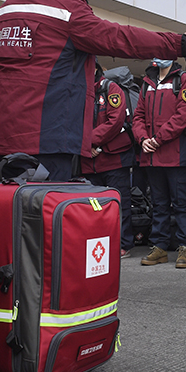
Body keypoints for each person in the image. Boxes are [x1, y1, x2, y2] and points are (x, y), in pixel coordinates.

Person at [0, 0, 186, 181]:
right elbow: (118, 38)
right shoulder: (66, 9)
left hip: (2, 139)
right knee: (44, 209)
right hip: (48, 138)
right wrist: (180, 44)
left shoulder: (4, 11)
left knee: (10, 209)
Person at [132, 58, 186, 268]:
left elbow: (183, 115)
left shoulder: (184, 80)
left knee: (181, 203)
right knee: (158, 203)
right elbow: (138, 116)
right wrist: (143, 139)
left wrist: (158, 138)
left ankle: (185, 246)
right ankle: (159, 246)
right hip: (151, 154)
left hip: (175, 154)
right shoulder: (147, 83)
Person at [79, 63, 135, 258]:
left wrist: (90, 142)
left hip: (114, 159)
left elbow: (115, 121)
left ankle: (122, 244)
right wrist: (85, 146)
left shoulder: (110, 88)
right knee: (92, 207)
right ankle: (97, 244)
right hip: (88, 161)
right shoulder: (78, 91)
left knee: (118, 204)